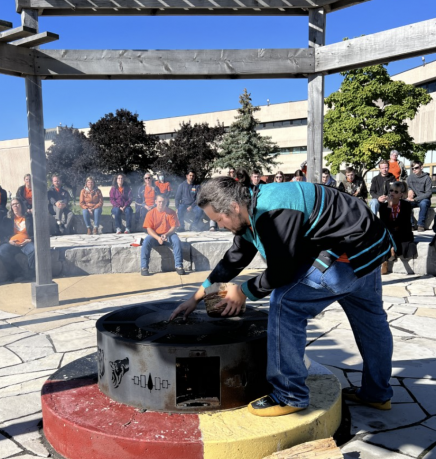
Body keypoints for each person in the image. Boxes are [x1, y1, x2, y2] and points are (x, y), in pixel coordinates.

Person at [171, 176, 394, 416]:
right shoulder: (252, 206)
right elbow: (235, 257)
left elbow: (281, 271)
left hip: (347, 257)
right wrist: (197, 296)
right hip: (371, 250)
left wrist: (243, 292)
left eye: (219, 219)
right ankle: (377, 394)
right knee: (372, 323)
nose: (221, 225)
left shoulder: (272, 213)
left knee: (285, 302)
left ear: (234, 207)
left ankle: (290, 395)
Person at [141, 194, 185, 276]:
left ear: (166, 202)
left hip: (168, 234)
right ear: (156, 202)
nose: (161, 204)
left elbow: (174, 227)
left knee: (176, 241)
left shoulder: (171, 213)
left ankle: (179, 266)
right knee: (146, 241)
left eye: (163, 202)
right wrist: (158, 238)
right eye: (159, 202)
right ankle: (144, 267)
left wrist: (166, 234)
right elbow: (149, 229)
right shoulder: (150, 213)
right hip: (155, 235)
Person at [379, 181, 415, 274]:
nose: (392, 193)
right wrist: (389, 206)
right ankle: (385, 261)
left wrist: (394, 226)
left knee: (397, 239)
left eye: (396, 192)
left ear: (401, 194)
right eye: (391, 190)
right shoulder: (383, 206)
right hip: (389, 231)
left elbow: (405, 221)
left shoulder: (406, 205)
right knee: (384, 236)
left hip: (402, 231)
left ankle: (391, 251)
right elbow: (384, 222)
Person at [0, 198, 35, 281]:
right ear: (11, 207)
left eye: (17, 203)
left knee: (34, 250)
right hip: (12, 244)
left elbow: (37, 231)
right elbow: (1, 235)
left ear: (21, 205)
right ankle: (18, 273)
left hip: (26, 243)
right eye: (13, 204)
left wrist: (30, 240)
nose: (15, 206)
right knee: (1, 251)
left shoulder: (29, 218)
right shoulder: (7, 219)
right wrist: (9, 241)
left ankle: (32, 274)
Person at [406, 161, 432, 232]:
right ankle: (410, 225)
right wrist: (409, 190)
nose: (414, 170)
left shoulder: (427, 178)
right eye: (412, 168)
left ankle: (421, 225)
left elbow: (429, 193)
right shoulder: (409, 178)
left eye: (416, 168)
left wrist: (416, 199)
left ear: (421, 167)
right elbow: (406, 187)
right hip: (412, 199)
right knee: (405, 203)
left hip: (423, 199)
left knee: (424, 204)